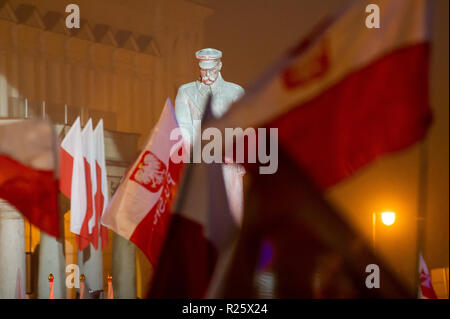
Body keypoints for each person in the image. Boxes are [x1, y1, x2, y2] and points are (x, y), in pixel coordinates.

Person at [174, 48, 245, 223]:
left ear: (219, 66)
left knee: (231, 216)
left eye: (211, 69)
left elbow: (244, 127)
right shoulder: (186, 92)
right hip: (200, 163)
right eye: (203, 69)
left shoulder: (235, 92)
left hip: (228, 162)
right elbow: (182, 128)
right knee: (200, 216)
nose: (206, 74)